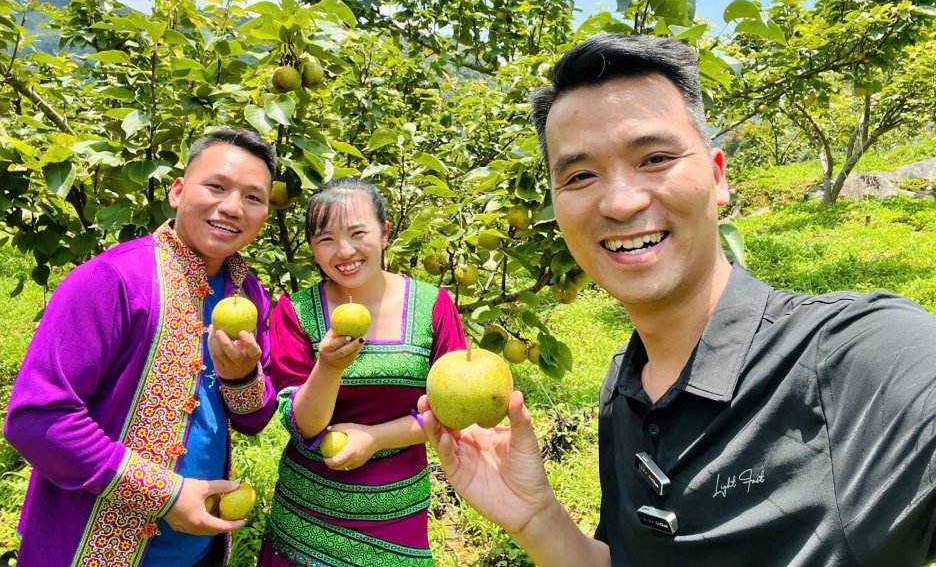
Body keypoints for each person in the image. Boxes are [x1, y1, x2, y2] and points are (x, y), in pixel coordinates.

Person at [419, 34, 936, 566]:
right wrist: (537, 517)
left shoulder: (863, 359)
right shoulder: (625, 386)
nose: (620, 201)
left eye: (655, 158)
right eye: (580, 175)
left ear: (716, 176)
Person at [3, 127, 280, 567]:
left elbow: (254, 419)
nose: (232, 207)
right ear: (177, 191)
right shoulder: (111, 281)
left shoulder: (247, 294)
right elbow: (37, 419)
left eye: (253, 197)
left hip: (199, 550)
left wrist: (241, 377)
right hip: (91, 547)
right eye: (216, 186)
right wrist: (165, 495)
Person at [260, 177, 467, 567]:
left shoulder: (434, 306)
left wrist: (374, 438)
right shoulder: (295, 312)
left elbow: (453, 410)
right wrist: (328, 367)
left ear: (385, 233)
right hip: (308, 516)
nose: (345, 251)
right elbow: (302, 425)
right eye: (326, 239)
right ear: (312, 248)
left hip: (397, 510)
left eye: (358, 233)